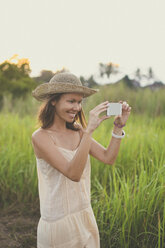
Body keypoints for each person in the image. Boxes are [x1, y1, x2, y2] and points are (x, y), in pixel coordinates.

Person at [31, 72, 131, 248]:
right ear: (53, 100)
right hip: (58, 222)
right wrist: (89, 131)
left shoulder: (78, 132)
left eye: (79, 102)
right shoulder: (41, 137)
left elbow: (108, 158)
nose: (77, 108)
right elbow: (73, 173)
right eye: (71, 101)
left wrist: (118, 126)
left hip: (85, 216)